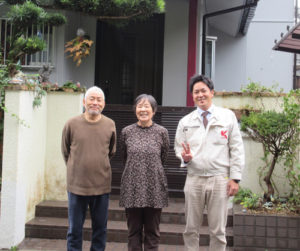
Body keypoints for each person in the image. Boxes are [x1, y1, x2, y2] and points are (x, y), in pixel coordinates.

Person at [174, 75, 245, 251]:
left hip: (219, 180)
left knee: (218, 231)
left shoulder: (227, 117)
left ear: (212, 93)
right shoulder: (185, 122)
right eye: (196, 92)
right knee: (190, 229)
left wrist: (235, 178)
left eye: (203, 91)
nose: (200, 95)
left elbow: (236, 148)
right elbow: (178, 149)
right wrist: (185, 157)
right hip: (194, 179)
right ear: (192, 96)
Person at [61, 86, 116, 251]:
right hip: (77, 187)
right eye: (91, 99)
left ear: (104, 104)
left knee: (100, 230)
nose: (95, 103)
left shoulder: (110, 124)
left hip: (101, 186)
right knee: (74, 231)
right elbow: (66, 151)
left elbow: (111, 151)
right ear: (84, 101)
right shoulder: (71, 124)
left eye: (99, 100)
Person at [119, 94, 170, 251]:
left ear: (153, 110)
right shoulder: (127, 132)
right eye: (139, 106)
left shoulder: (162, 132)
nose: (143, 109)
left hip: (154, 187)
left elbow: (164, 157)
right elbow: (124, 157)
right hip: (131, 188)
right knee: (133, 232)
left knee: (152, 232)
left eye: (146, 106)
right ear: (135, 110)